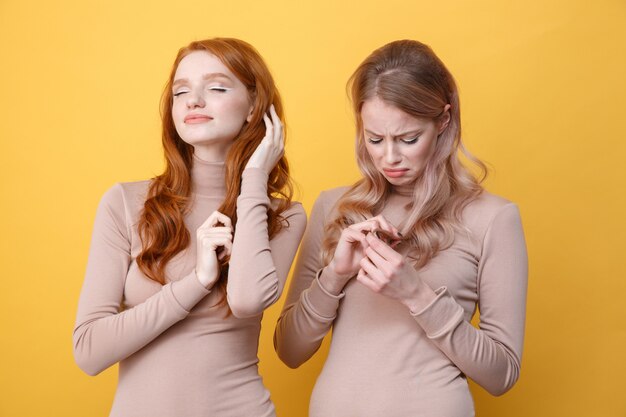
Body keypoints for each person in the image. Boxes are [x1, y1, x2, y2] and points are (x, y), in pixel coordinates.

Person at [274, 39, 528, 417]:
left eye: (409, 139)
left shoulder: (493, 218)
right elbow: (289, 351)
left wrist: (418, 296)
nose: (389, 157)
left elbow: (502, 374)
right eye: (374, 139)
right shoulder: (334, 207)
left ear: (443, 120)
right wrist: (335, 276)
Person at [73, 37, 306, 417]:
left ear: (253, 107)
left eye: (215, 88)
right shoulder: (126, 203)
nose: (193, 101)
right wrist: (196, 281)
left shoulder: (283, 215)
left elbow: (247, 300)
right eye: (181, 92)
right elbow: (88, 351)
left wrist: (254, 180)